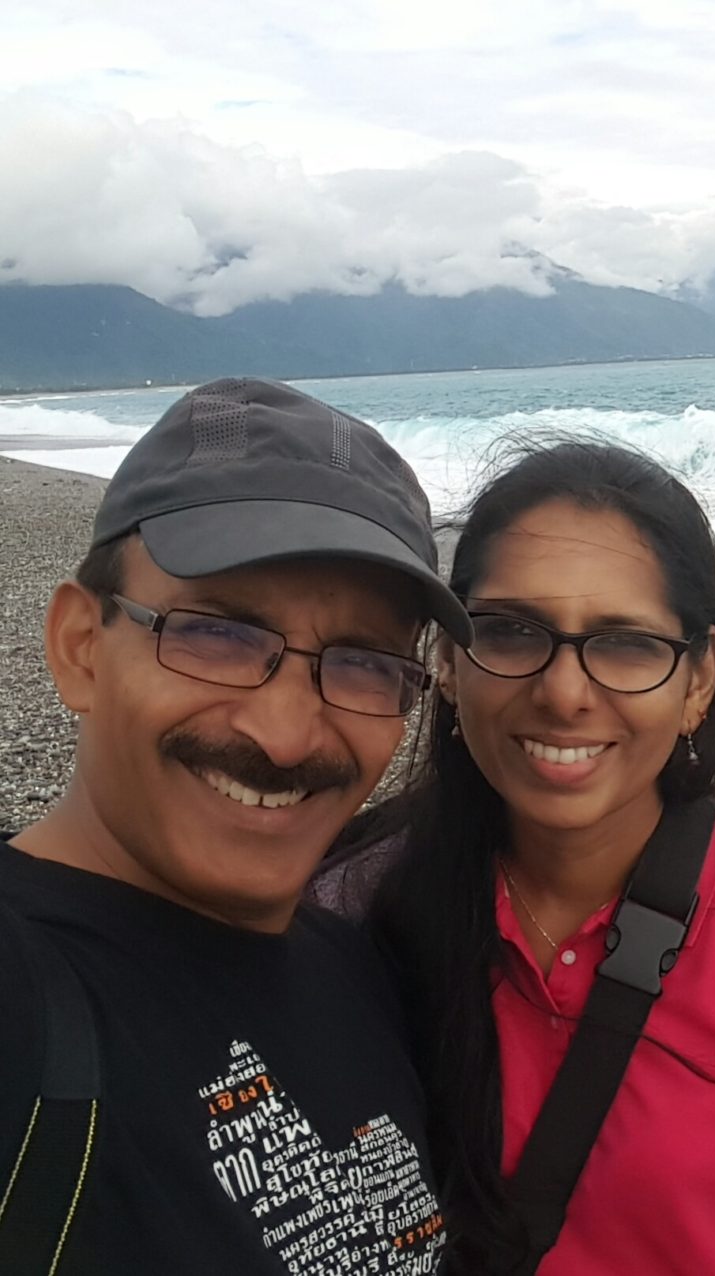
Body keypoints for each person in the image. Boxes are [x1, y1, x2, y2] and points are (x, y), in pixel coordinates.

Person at [314, 440, 715, 1276]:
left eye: (626, 643)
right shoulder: (338, 907)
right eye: (512, 631)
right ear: (450, 659)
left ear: (699, 679)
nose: (563, 693)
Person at [0, 377, 472, 1273]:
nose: (287, 736)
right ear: (79, 647)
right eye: (215, 634)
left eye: (365, 663)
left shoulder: (362, 969)